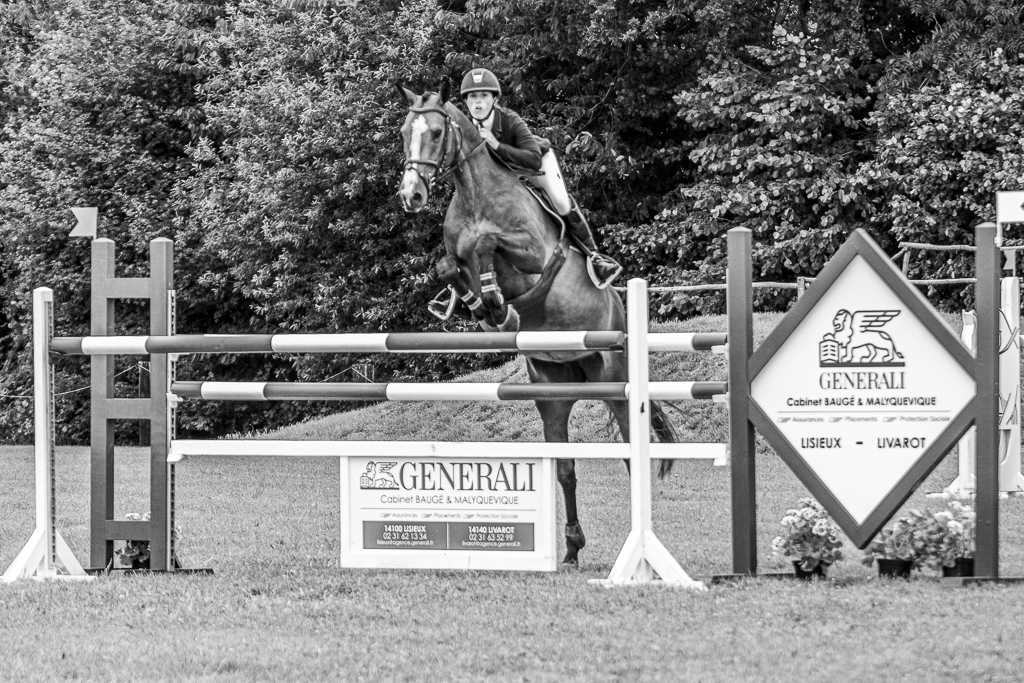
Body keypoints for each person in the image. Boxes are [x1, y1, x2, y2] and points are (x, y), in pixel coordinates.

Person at [459, 67, 623, 289]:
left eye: (483, 96)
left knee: (561, 202)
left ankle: (594, 257)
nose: (478, 102)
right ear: (466, 101)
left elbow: (534, 159)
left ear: (494, 99)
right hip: (506, 178)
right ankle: (458, 286)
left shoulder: (510, 119)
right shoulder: (467, 131)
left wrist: (496, 145)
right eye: (472, 97)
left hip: (537, 166)